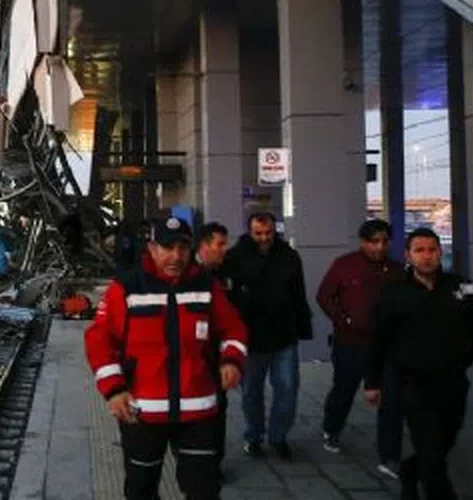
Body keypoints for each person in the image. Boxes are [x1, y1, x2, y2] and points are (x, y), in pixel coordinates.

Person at [85, 216, 249, 499]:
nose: (176, 256)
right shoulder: (126, 288)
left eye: (183, 248)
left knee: (204, 489)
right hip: (142, 412)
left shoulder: (207, 286)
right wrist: (113, 390)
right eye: (167, 247)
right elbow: (99, 340)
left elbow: (233, 327)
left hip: (199, 410)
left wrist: (232, 360)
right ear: (152, 248)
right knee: (141, 489)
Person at [364, 228, 473, 500]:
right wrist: (372, 382)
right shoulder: (395, 293)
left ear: (441, 253)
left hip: (453, 382)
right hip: (412, 384)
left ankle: (410, 469)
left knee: (445, 440)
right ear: (408, 256)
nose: (427, 256)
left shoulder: (462, 288)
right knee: (431, 450)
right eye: (419, 251)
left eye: (432, 250)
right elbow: (378, 341)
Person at [219, 212, 312, 460]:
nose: (264, 238)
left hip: (284, 335)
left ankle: (278, 437)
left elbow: (298, 294)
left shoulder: (289, 256)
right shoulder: (235, 257)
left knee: (288, 388)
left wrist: (303, 327)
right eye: (258, 233)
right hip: (250, 338)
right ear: (249, 232)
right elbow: (225, 298)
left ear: (275, 230)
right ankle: (254, 436)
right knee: (251, 391)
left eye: (268, 233)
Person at [315, 219, 404, 476]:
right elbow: (324, 296)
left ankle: (389, 456)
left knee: (391, 399)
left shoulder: (397, 270)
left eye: (384, 241)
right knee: (344, 389)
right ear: (363, 242)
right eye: (374, 241)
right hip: (350, 342)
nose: (379, 247)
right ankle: (332, 429)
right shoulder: (344, 265)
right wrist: (344, 320)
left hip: (388, 347)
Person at [194, 222, 231, 481]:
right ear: (204, 246)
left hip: (217, 359)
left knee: (217, 411)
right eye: (220, 245)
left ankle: (212, 464)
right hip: (194, 358)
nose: (224, 251)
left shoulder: (225, 272)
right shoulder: (189, 275)